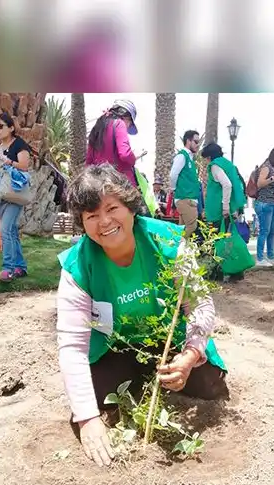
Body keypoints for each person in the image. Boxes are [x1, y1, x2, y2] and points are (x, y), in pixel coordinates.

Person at [56, 164, 230, 467]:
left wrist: (189, 356)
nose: (105, 221)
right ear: (82, 223)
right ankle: (137, 381)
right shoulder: (77, 267)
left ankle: (162, 376)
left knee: (209, 386)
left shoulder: (168, 243)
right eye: (92, 215)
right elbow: (72, 345)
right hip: (117, 349)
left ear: (131, 207)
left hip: (169, 343)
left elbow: (200, 305)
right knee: (93, 400)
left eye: (112, 208)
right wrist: (87, 420)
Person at [0, 112, 32, 283]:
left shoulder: (19, 144)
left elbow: (24, 167)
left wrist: (6, 161)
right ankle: (20, 267)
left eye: (0, 126)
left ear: (11, 128)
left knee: (5, 229)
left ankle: (8, 268)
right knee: (10, 230)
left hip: (16, 192)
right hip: (3, 192)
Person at [200, 142, 248, 282]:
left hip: (218, 210)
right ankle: (236, 272)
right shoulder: (229, 164)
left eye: (206, 159)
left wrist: (225, 206)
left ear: (209, 157)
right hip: (230, 208)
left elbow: (227, 184)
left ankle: (216, 273)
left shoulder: (215, 165)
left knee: (216, 240)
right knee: (228, 240)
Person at [84, 98, 146, 188]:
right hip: (120, 185)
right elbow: (125, 154)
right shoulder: (119, 124)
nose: (128, 127)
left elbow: (89, 162)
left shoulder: (97, 128)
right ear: (126, 117)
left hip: (100, 185)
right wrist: (134, 157)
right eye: (130, 123)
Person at [253, 145, 274, 266]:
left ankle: (271, 256)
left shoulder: (272, 167)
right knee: (264, 231)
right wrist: (273, 178)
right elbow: (260, 183)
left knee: (272, 231)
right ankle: (260, 258)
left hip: (272, 202)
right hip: (264, 203)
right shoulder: (266, 167)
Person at [169, 129, 202, 237]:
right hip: (185, 198)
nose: (198, 145)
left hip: (187, 198)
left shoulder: (190, 158)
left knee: (182, 228)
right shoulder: (182, 156)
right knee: (192, 227)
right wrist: (173, 189)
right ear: (188, 141)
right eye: (196, 142)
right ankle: (176, 249)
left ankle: (180, 251)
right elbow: (173, 175)